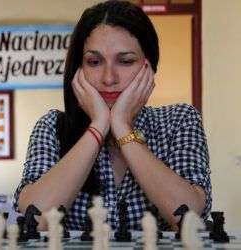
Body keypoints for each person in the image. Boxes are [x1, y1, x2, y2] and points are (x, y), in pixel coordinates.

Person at [13, 0, 211, 231]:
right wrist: (97, 127)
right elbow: (34, 220)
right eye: (94, 62)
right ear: (78, 68)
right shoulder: (52, 127)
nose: (109, 78)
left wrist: (122, 126)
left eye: (126, 61)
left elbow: (189, 217)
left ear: (150, 66)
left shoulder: (180, 120)